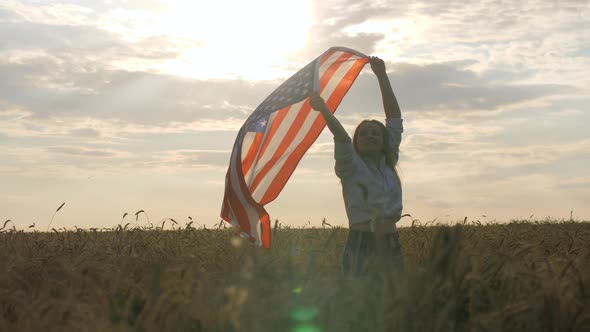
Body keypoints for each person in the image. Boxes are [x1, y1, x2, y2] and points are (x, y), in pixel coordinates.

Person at [309, 56, 404, 276]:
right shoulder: (350, 167)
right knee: (361, 305)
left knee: (393, 302)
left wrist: (381, 76)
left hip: (392, 243)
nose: (369, 136)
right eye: (363, 134)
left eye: (375, 133)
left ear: (384, 140)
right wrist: (323, 109)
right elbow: (341, 137)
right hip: (362, 243)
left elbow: (395, 118)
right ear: (356, 142)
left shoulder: (388, 162)